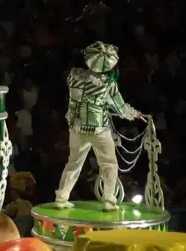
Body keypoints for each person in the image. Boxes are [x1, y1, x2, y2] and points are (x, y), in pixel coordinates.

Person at [54, 42, 142, 211]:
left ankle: (61, 197)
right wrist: (133, 113)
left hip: (77, 128)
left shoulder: (74, 77)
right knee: (109, 163)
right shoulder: (107, 84)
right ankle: (109, 200)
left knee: (73, 163)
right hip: (98, 129)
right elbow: (119, 106)